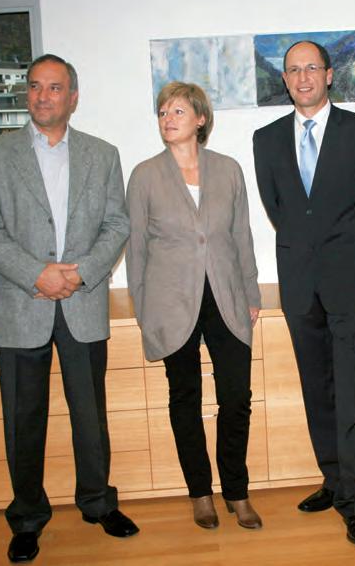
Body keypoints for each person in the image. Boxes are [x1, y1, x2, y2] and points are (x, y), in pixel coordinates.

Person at [0, 53, 137, 564]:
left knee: (90, 415)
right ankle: (27, 518)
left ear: (73, 97)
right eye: (35, 86)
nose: (43, 96)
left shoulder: (102, 155)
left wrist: (80, 273)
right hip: (21, 304)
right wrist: (35, 273)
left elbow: (117, 224)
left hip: (82, 302)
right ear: (27, 93)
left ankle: (98, 503)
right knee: (23, 420)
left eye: (55, 87)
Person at [252, 40, 355, 545]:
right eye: (293, 70)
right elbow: (279, 210)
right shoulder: (266, 139)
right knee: (317, 390)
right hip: (299, 284)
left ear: (329, 75)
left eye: (312, 68)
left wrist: (346, 251)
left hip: (350, 280)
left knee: (351, 393)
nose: (303, 77)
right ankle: (334, 480)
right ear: (285, 79)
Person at [126, 82, 262, 531]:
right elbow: (137, 249)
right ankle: (200, 493)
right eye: (163, 112)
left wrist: (251, 294)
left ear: (200, 119)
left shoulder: (228, 169)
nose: (168, 119)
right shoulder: (145, 175)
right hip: (170, 303)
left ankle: (237, 492)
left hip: (226, 298)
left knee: (236, 398)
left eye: (178, 111)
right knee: (184, 399)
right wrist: (144, 310)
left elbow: (241, 236)